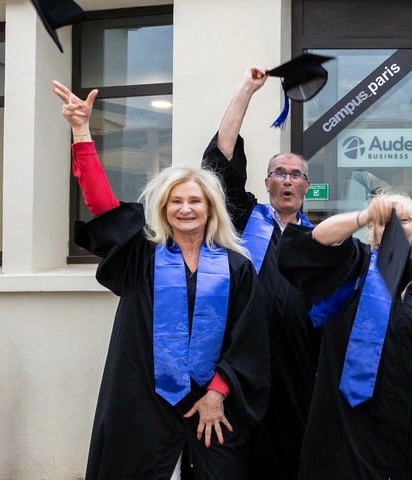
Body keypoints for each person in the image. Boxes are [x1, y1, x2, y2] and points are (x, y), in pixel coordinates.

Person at [57, 81, 269, 480]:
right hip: (142, 400)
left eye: (195, 201)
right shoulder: (143, 253)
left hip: (210, 407)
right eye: (176, 201)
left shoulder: (235, 267)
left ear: (210, 209)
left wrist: (218, 394)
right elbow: (102, 205)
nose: (185, 209)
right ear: (163, 208)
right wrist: (81, 132)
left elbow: (250, 342)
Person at [278, 193, 412, 479]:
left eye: (404, 220)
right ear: (374, 232)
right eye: (385, 222)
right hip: (350, 424)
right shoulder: (351, 270)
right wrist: (364, 215)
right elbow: (314, 241)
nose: (395, 226)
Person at [201, 66, 318, 479]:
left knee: (294, 456)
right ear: (267, 182)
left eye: (296, 174)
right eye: (279, 173)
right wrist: (246, 92)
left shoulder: (321, 239)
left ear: (307, 186)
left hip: (298, 366)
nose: (287, 180)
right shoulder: (245, 217)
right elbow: (221, 162)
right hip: (242, 359)